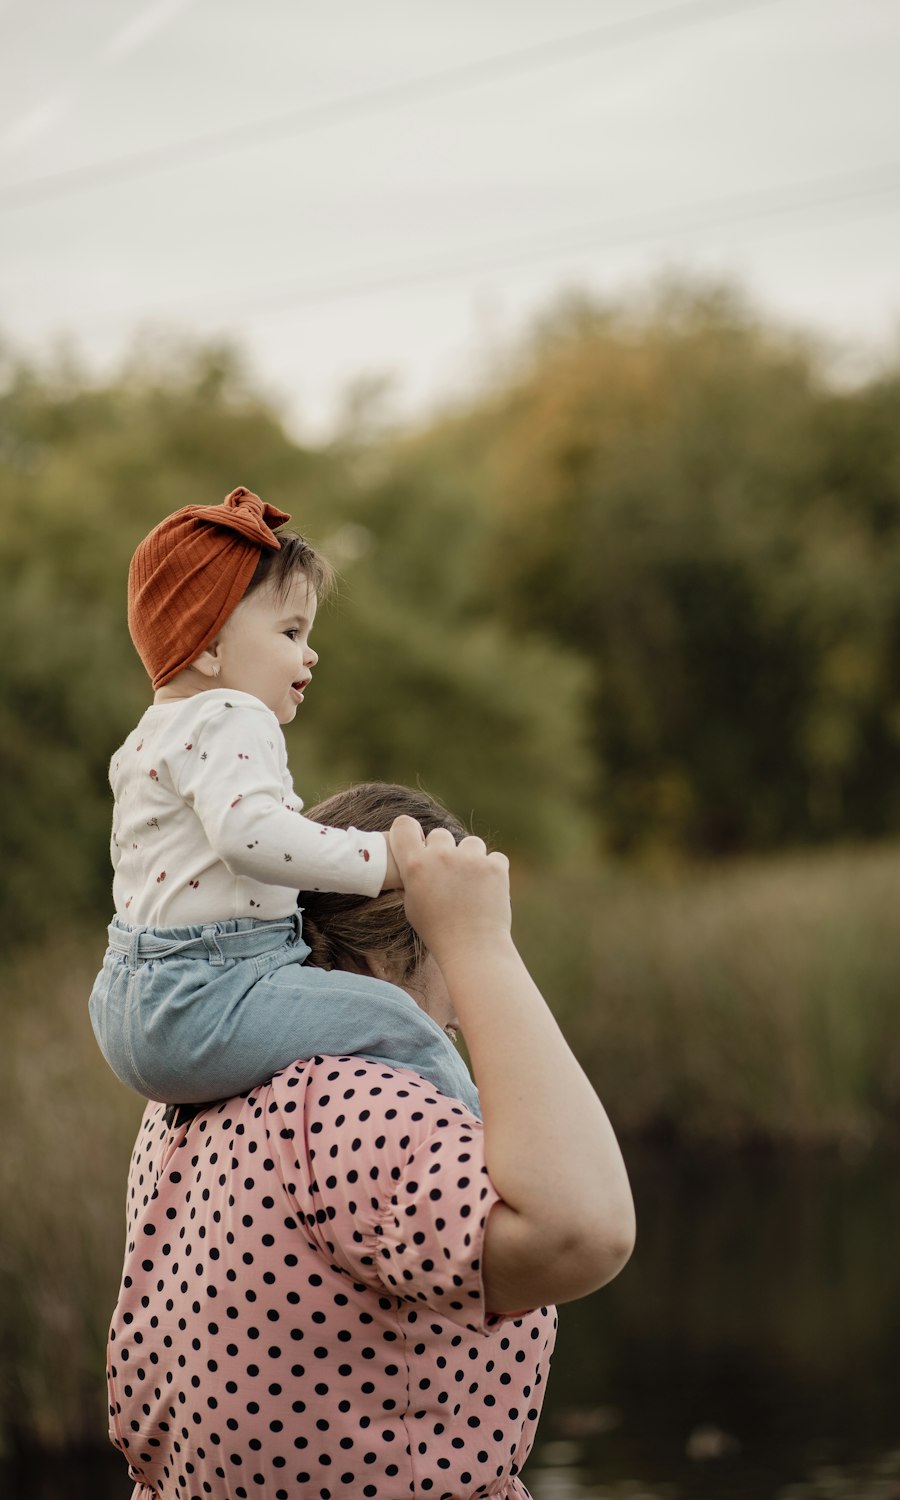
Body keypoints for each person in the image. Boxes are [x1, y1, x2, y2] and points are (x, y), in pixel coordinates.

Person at [105, 781, 636, 1500]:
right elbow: (584, 1231)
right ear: (384, 963)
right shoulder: (352, 1102)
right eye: (447, 960)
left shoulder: (197, 1096)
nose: (455, 1015)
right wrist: (483, 944)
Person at [88, 486, 478, 1117]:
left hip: (129, 1004)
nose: (310, 652)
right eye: (292, 631)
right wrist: (385, 860)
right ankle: (483, 1148)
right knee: (400, 1021)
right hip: (212, 991)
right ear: (209, 647)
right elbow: (251, 837)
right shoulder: (234, 713)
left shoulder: (145, 740)